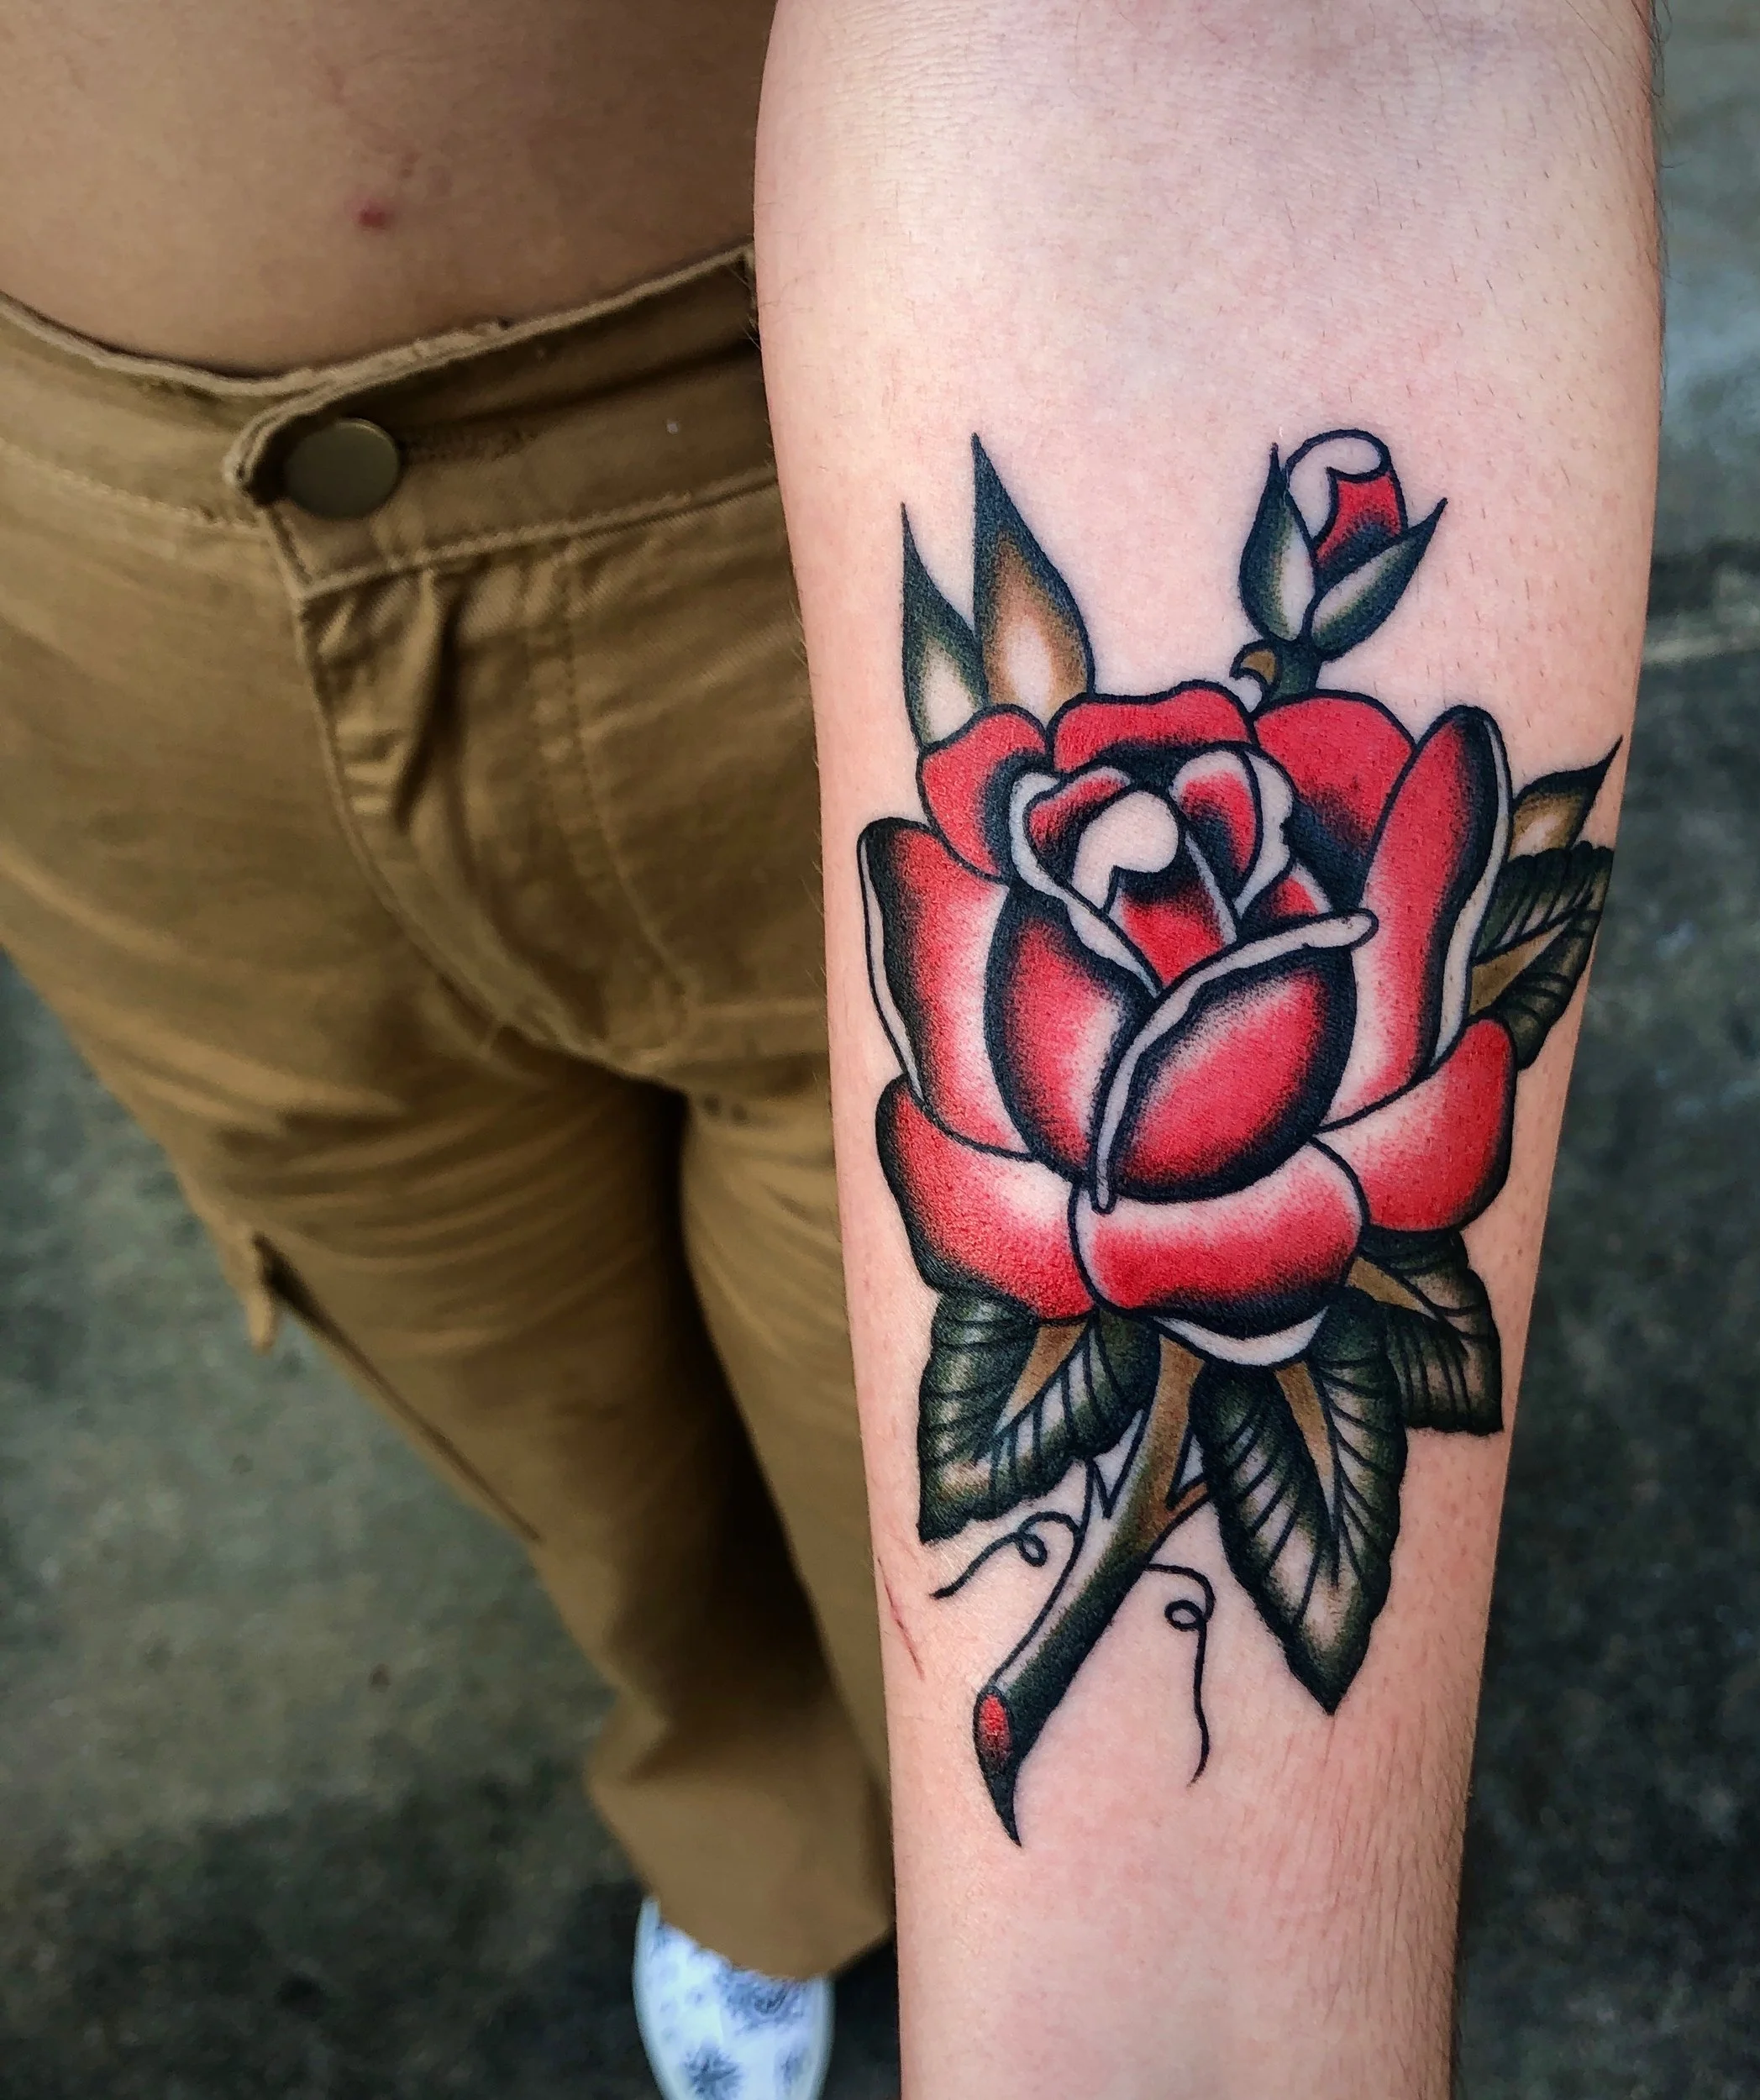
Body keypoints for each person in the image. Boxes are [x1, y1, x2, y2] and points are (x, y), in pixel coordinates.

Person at [0, 3, 1660, 2094]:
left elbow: (1275, 67)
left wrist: (1179, 2037)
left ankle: (932, 1826)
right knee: (542, 1418)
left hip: (816, 489)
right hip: (75, 640)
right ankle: (757, 1849)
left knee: (878, 1445)